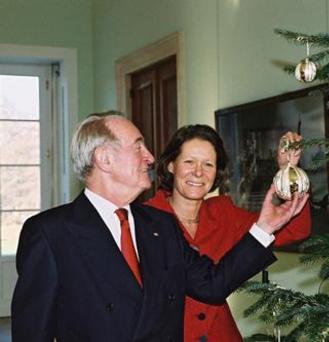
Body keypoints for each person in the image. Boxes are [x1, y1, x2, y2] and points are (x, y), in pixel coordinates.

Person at [11, 112, 308, 342]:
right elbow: (33, 333)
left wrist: (265, 225)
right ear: (104, 158)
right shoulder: (50, 233)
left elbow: (213, 284)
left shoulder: (160, 227)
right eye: (138, 147)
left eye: (208, 165)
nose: (150, 157)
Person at [145, 124, 311, 341]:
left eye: (208, 164)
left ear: (216, 174)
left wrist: (287, 172)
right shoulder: (145, 219)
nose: (198, 172)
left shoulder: (223, 214)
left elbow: (295, 230)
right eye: (189, 162)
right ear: (170, 166)